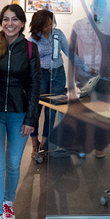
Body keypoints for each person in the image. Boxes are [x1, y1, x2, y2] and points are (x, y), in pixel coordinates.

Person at [0, 4, 41, 219]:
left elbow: (35, 84)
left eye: (15, 19)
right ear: (1, 22)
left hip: (19, 114)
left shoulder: (30, 48)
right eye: (6, 19)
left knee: (13, 164)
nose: (10, 23)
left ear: (22, 23)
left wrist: (31, 119)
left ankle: (8, 204)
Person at [28, 9, 88, 158]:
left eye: (51, 23)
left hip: (58, 75)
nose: (50, 27)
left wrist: (85, 67)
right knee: (36, 111)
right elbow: (29, 62)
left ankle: (45, 144)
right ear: (39, 25)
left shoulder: (58, 34)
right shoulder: (32, 39)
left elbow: (69, 52)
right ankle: (35, 145)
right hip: (40, 76)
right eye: (46, 25)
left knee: (52, 111)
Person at [72, 0, 110, 100]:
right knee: (84, 107)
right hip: (83, 74)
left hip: (102, 74)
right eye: (95, 8)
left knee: (102, 107)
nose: (97, 12)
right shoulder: (78, 25)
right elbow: (74, 51)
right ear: (90, 7)